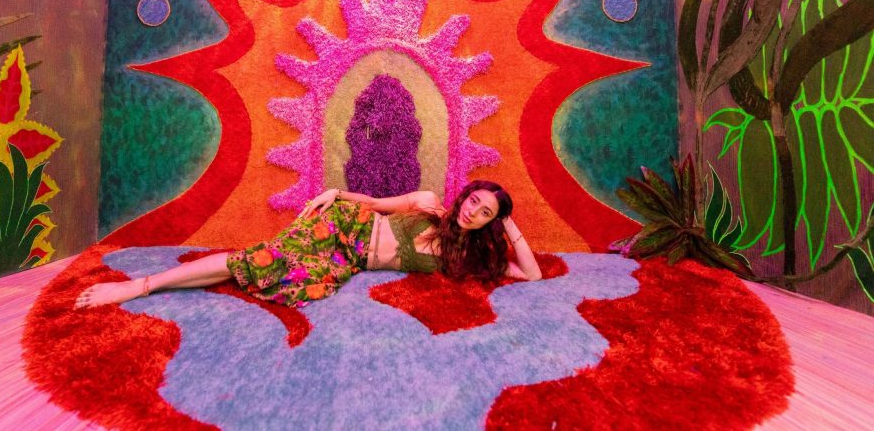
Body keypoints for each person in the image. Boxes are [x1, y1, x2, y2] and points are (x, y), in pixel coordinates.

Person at [75, 180, 543, 309]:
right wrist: (335, 193)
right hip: (343, 226)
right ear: (465, 195)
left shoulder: (469, 258)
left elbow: (532, 273)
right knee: (259, 260)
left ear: (491, 223)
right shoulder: (427, 202)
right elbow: (371, 203)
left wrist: (510, 221)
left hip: (349, 261)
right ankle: (141, 286)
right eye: (475, 201)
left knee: (308, 283)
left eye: (486, 213)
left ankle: (159, 283)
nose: (473, 212)